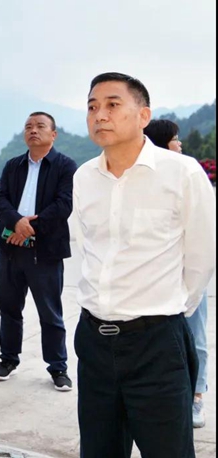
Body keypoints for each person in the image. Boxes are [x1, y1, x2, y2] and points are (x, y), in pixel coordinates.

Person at [73, 72, 216, 457]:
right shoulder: (84, 177)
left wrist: (166, 309)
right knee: (98, 450)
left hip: (156, 346)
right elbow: (87, 247)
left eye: (112, 104)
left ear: (143, 115)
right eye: (92, 107)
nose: (100, 115)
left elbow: (202, 256)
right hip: (94, 342)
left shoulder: (182, 172)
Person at [0, 112, 77, 391]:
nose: (33, 130)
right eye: (28, 126)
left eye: (40, 126)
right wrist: (16, 222)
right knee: (9, 309)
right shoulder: (13, 165)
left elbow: (64, 205)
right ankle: (8, 360)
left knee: (50, 313)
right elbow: (0, 198)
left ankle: (58, 367)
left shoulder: (65, 166)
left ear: (54, 134)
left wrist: (28, 228)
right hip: (11, 250)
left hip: (46, 252)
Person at [144, 118, 210, 429]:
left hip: (188, 273)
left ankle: (196, 396)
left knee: (195, 338)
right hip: (157, 275)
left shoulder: (189, 173)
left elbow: (204, 235)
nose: (180, 143)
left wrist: (192, 290)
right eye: (174, 138)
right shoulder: (145, 178)